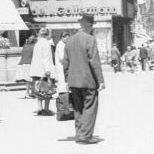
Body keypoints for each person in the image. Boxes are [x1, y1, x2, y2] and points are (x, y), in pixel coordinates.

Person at [62, 14, 106, 145]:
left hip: (73, 81)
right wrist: (101, 80)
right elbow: (94, 61)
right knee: (90, 107)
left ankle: (79, 133)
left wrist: (67, 79)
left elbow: (65, 63)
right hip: (88, 81)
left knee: (78, 108)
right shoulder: (90, 39)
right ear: (90, 25)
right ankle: (86, 136)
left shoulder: (69, 41)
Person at [30, 27, 56, 116]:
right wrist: (48, 72)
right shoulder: (46, 43)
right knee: (47, 89)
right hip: (44, 71)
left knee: (38, 89)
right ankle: (46, 109)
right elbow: (47, 58)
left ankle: (40, 107)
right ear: (48, 34)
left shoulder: (37, 43)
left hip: (36, 70)